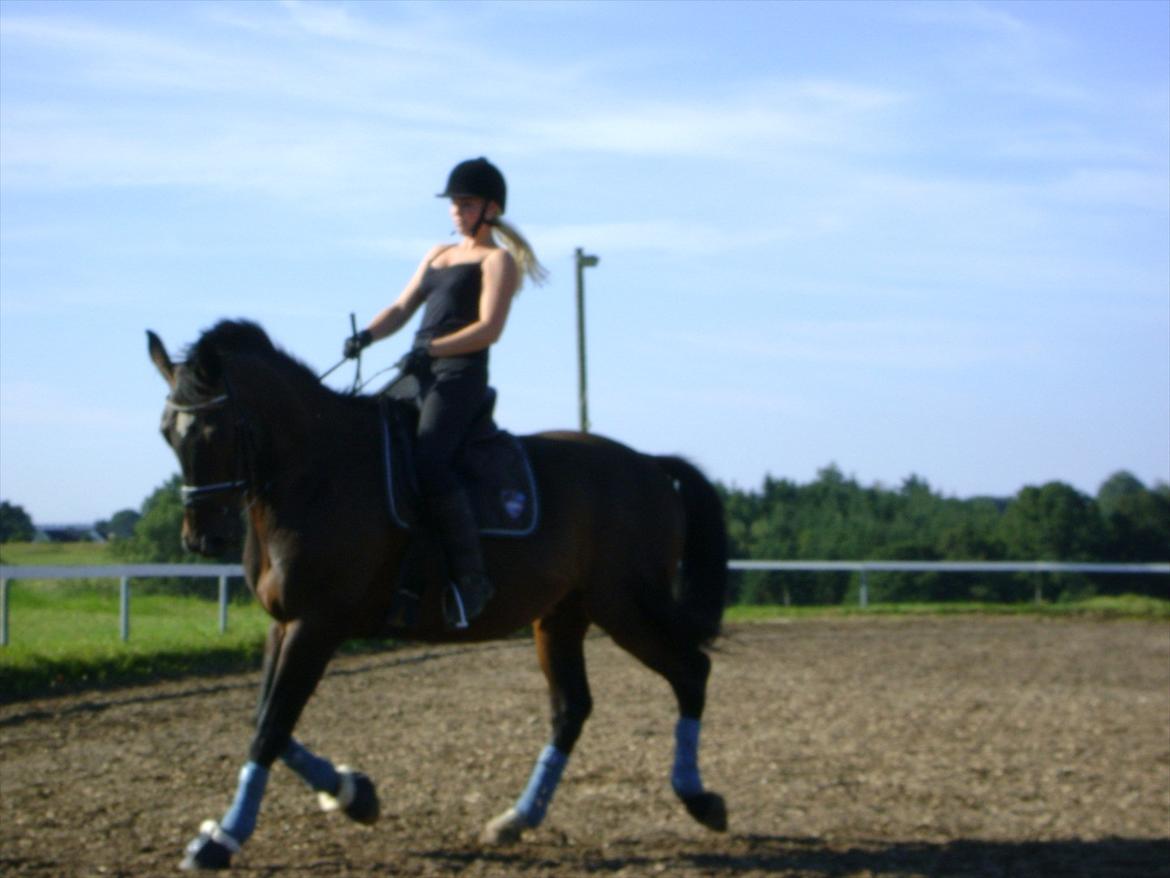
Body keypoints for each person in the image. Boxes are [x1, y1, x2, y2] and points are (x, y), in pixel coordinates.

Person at [343, 157, 546, 628]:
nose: (456, 211)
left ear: (490, 209)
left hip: (459, 378)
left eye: (466, 203)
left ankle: (471, 579)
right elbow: (400, 307)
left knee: (430, 462)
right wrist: (367, 337)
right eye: (454, 203)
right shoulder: (437, 254)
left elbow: (488, 329)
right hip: (417, 370)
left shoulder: (498, 261)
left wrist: (432, 348)